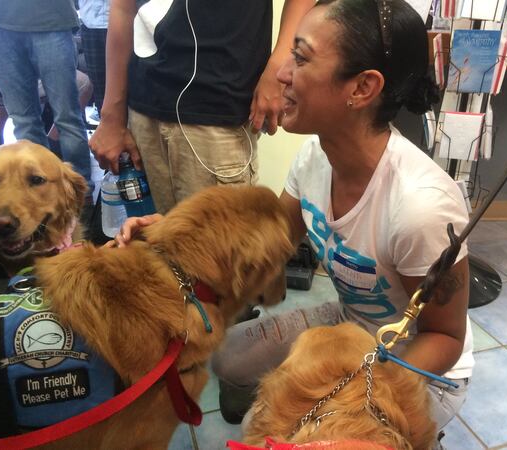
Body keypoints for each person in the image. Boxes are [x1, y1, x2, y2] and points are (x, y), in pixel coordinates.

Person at [117, 0, 473, 442]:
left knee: (270, 431)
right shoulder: (315, 156)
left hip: (422, 366)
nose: (281, 72)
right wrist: (169, 238)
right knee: (227, 360)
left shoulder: (423, 207)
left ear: (362, 88)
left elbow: (446, 337)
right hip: (350, 324)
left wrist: (349, 390)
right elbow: (268, 238)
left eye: (300, 58)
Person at [90, 0, 315, 214]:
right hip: (143, 106)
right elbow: (122, 7)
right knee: (151, 248)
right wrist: (111, 116)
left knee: (222, 250)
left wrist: (279, 66)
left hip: (217, 108)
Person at [0, 0, 93, 192]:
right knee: (24, 120)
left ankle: (81, 192)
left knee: (67, 117)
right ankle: (38, 191)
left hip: (52, 20)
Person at [78, 0, 109, 117]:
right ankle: (106, 129)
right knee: (98, 85)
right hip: (90, 22)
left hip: (126, 20)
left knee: (130, 84)